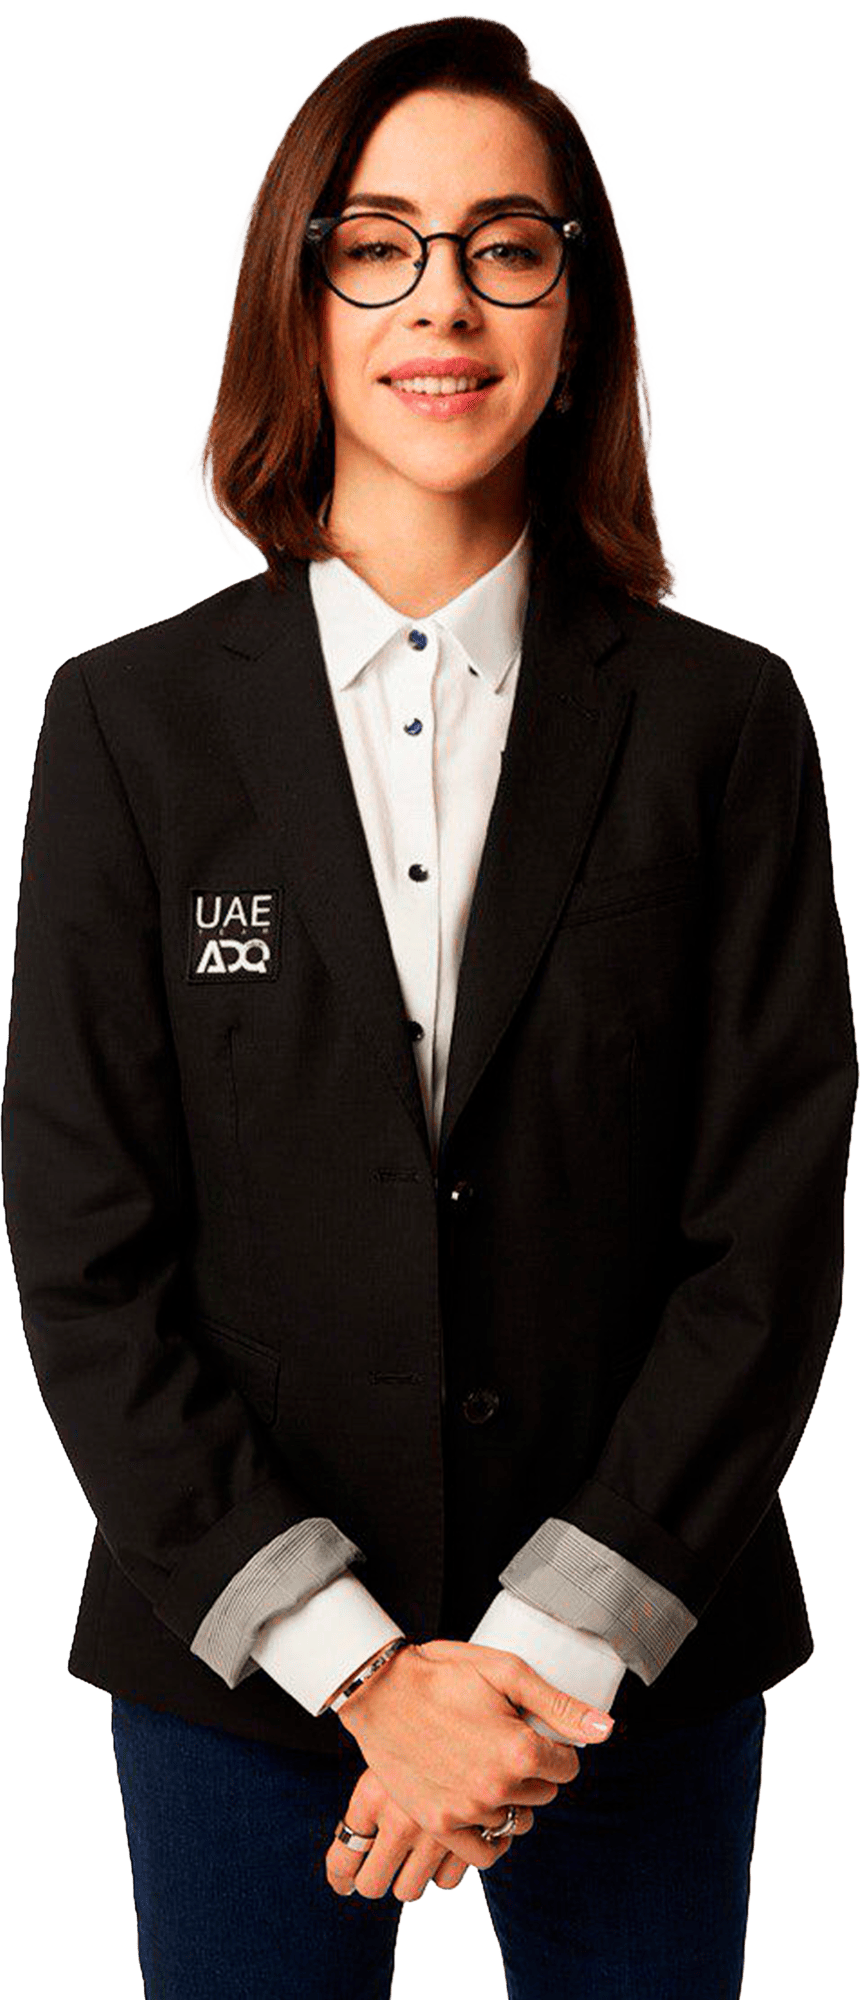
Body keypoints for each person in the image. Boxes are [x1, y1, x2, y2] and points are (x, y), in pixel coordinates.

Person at [2, 12, 856, 1998]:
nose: (442, 303)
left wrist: (542, 1658)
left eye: (506, 246)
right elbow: (85, 1244)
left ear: (578, 306)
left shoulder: (724, 721)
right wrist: (366, 1671)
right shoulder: (127, 723)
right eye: (376, 245)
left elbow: (766, 1228)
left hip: (641, 1650)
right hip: (242, 1666)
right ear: (294, 300)